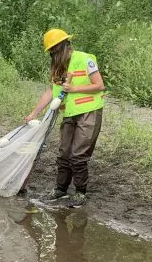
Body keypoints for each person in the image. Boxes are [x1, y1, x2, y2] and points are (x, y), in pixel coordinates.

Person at [25, 29, 105, 206]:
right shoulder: (58, 66)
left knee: (78, 155)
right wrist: (34, 113)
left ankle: (80, 192)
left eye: (54, 50)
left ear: (64, 45)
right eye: (51, 52)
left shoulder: (85, 59)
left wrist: (74, 89)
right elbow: (51, 92)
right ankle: (60, 190)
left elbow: (100, 85)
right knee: (64, 154)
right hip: (69, 113)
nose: (53, 54)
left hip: (89, 112)